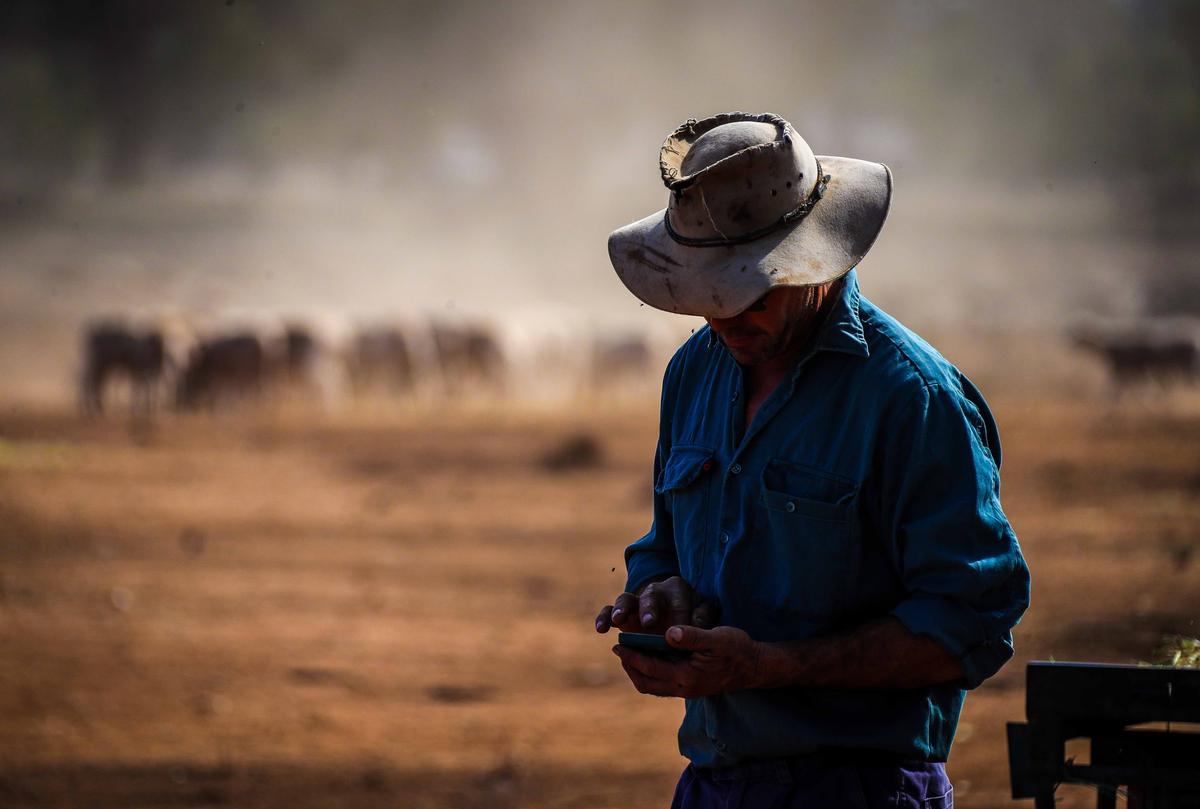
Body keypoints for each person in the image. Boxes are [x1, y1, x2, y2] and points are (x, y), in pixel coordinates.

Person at [594, 112, 1031, 808]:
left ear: (817, 260)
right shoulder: (693, 373)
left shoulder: (910, 398)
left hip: (862, 788)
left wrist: (773, 666)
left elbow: (972, 618)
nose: (727, 315)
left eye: (752, 290)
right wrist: (661, 593)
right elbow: (664, 544)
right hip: (711, 783)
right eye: (708, 292)